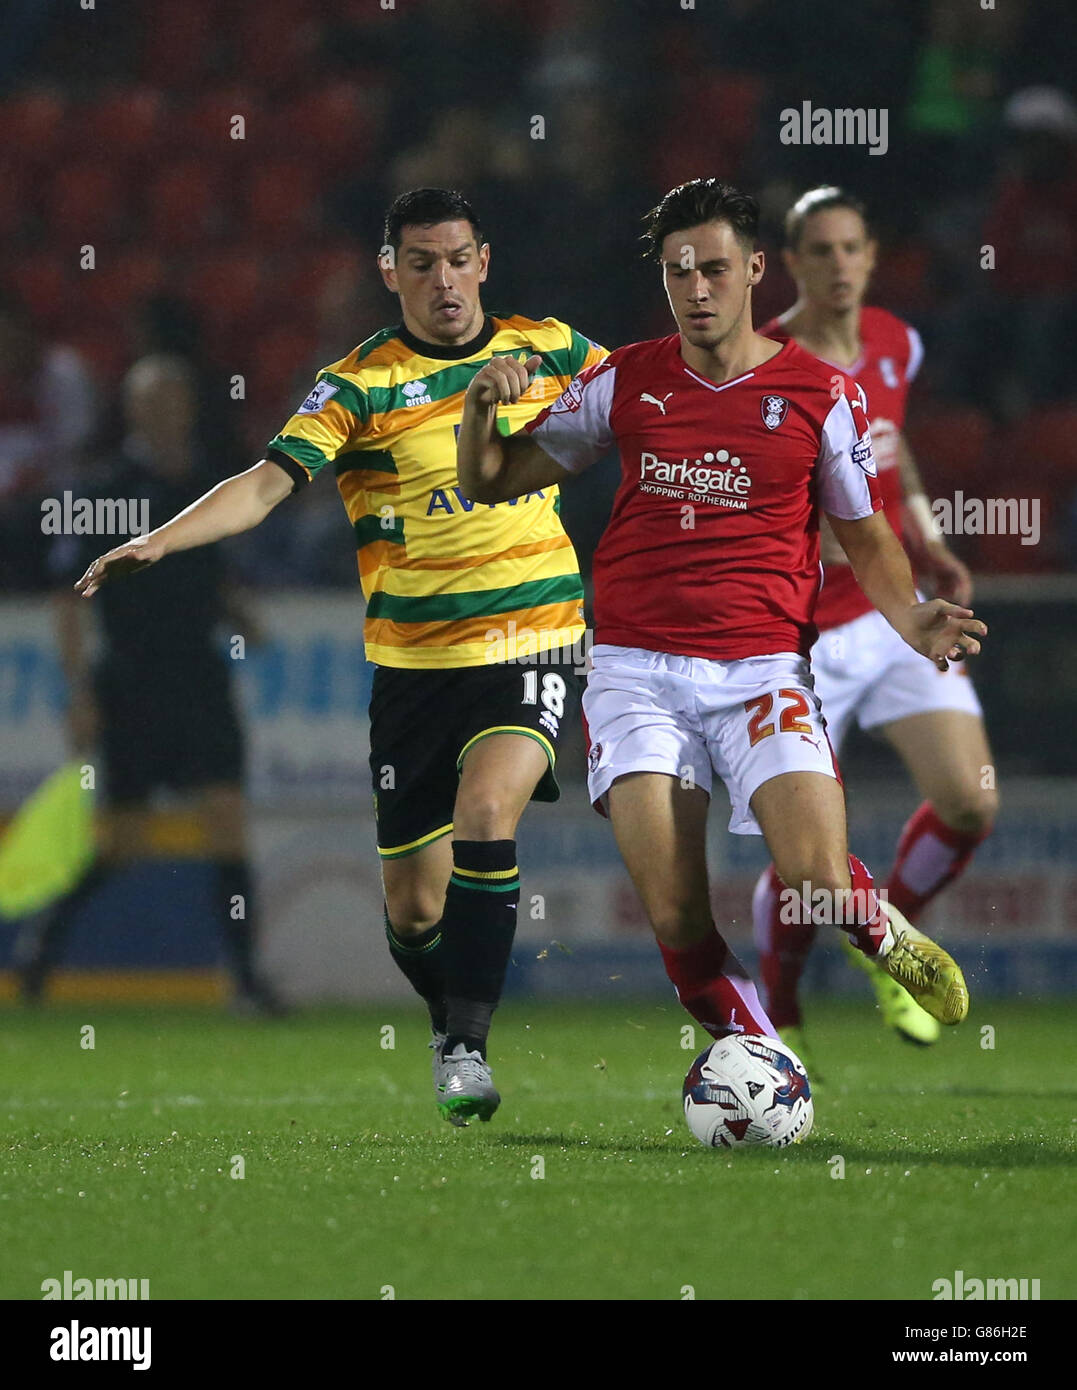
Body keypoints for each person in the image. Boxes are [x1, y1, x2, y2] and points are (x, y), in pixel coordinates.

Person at [74, 188, 607, 1126]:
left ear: (483, 260)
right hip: (412, 668)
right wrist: (164, 538)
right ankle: (449, 1028)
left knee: (488, 810)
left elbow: (651, 406)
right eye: (420, 263)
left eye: (456, 259)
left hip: (534, 639)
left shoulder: (553, 350)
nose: (442, 280)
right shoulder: (361, 382)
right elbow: (266, 485)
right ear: (389, 272)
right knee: (410, 910)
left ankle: (470, 1050)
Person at [457, 178, 985, 1050]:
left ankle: (878, 931)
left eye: (711, 270)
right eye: (676, 273)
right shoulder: (622, 378)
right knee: (672, 913)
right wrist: (479, 408)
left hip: (762, 669)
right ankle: (768, 1061)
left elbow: (865, 532)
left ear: (753, 271)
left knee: (812, 872)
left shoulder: (821, 394)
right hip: (633, 672)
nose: (695, 290)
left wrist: (910, 616)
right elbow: (489, 480)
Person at [750, 186, 997, 1064]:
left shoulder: (896, 342)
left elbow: (894, 450)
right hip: (802, 630)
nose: (839, 265)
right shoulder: (765, 359)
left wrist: (927, 541)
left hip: (895, 616)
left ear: (871, 254)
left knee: (969, 798)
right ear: (791, 262)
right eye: (820, 250)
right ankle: (777, 1008)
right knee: (807, 853)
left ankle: (893, 947)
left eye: (851, 247)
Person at [16, 354, 282, 1014]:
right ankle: (40, 955)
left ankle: (247, 982)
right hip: (131, 681)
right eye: (153, 400)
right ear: (132, 410)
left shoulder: (208, 483)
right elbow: (69, 598)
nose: (167, 411)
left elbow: (211, 572)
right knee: (125, 842)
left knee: (226, 820)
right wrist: (78, 692)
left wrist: (236, 610)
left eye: (176, 398)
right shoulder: (106, 491)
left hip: (199, 675)